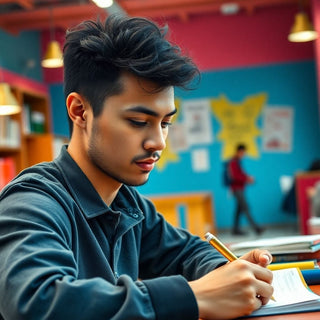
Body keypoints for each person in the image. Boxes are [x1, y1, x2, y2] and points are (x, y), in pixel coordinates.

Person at [0, 15, 274, 320]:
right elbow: (35, 303)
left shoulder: (126, 203)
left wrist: (228, 273)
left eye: (166, 123)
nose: (158, 143)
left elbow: (187, 252)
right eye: (139, 122)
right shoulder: (30, 203)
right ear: (80, 111)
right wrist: (195, 296)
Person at [229, 143, 264, 235]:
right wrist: (247, 179)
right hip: (237, 189)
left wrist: (247, 177)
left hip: (240, 188)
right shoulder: (233, 162)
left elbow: (240, 174)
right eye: (242, 153)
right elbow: (235, 176)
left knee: (239, 209)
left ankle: (235, 229)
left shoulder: (237, 162)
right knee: (245, 208)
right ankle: (256, 228)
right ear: (239, 151)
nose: (243, 155)